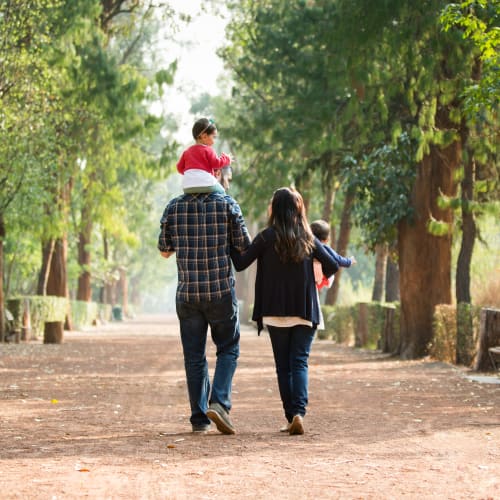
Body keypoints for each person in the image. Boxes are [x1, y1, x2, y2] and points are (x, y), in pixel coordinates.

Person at [230, 187, 338, 435]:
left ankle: (291, 416)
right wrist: (315, 277)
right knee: (299, 362)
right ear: (297, 209)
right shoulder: (308, 237)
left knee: (283, 366)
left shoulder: (266, 237)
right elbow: (332, 264)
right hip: (304, 309)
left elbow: (241, 262)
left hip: (275, 310)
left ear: (275, 209)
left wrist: (230, 240)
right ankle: (299, 413)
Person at [158, 186, 251, 435]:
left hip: (188, 295)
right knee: (228, 348)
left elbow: (165, 251)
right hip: (220, 292)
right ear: (215, 174)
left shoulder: (174, 206)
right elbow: (244, 245)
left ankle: (199, 419)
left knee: (194, 357)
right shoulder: (228, 204)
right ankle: (219, 403)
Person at [177, 117, 232, 194]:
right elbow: (216, 164)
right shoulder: (208, 150)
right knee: (222, 191)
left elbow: (179, 168)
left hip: (187, 186)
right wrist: (226, 159)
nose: (214, 141)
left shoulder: (186, 152)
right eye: (214, 137)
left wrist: (191, 173)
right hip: (205, 183)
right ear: (204, 136)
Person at [310, 219, 357, 290]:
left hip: (311, 278)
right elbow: (337, 259)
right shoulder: (324, 248)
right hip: (320, 279)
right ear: (326, 239)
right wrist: (349, 261)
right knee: (332, 276)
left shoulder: (307, 247)